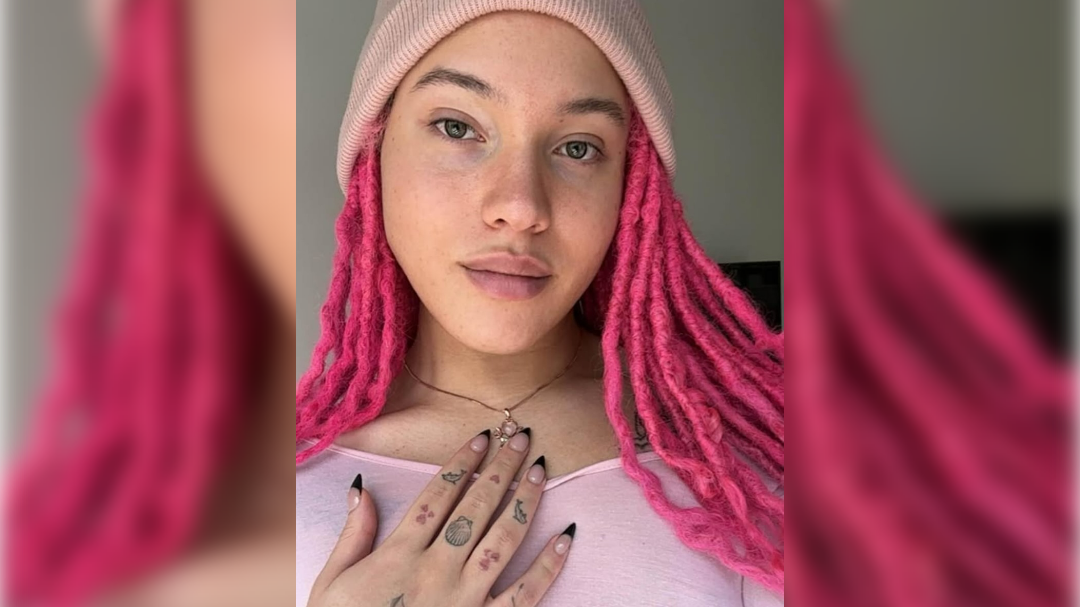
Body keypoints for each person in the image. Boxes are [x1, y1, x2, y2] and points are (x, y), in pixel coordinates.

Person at [296, 2, 784, 606]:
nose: (522, 206)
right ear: (373, 151)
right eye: (457, 127)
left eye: (578, 147)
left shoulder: (745, 472)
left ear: (632, 187)